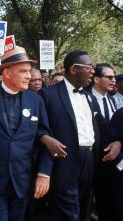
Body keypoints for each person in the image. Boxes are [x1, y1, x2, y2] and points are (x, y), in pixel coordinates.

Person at [0, 46, 65, 221]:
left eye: (29, 71)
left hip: (23, 181)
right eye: (23, 71)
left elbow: (45, 135)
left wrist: (44, 174)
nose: (29, 76)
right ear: (6, 73)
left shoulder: (36, 100)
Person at [39, 50, 99, 221]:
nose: (92, 71)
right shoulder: (48, 95)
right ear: (74, 69)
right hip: (65, 159)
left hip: (89, 159)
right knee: (67, 211)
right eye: (89, 67)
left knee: (84, 206)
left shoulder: (89, 97)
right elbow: (38, 127)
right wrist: (45, 137)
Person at [89, 63, 121, 221]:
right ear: (96, 79)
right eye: (109, 77)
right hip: (91, 161)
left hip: (111, 162)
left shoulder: (112, 100)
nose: (113, 80)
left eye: (114, 77)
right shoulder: (85, 99)